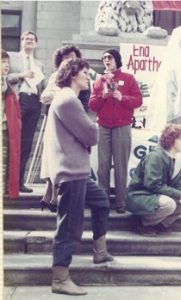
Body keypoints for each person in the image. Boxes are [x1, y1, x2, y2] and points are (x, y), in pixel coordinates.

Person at [46, 58, 113, 295]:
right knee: (70, 227)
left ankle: (100, 251)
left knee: (102, 201)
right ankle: (60, 279)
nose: (88, 76)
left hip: (78, 171)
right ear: (73, 74)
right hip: (71, 172)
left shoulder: (68, 98)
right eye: (85, 72)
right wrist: (92, 128)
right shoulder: (67, 99)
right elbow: (91, 135)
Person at [89, 48, 142, 213]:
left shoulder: (128, 78)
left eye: (109, 57)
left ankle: (121, 203)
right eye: (104, 57)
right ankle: (102, 202)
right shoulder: (99, 81)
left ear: (117, 59)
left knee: (121, 165)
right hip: (104, 126)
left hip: (122, 126)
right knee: (102, 165)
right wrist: (102, 96)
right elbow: (91, 105)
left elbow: (139, 100)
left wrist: (122, 98)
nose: (106, 60)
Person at [40, 44, 91, 212]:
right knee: (52, 154)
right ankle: (51, 196)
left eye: (74, 57)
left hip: (75, 120)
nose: (71, 60)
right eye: (67, 57)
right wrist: (61, 94)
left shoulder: (83, 78)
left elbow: (85, 99)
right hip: (56, 120)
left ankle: (53, 197)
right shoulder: (56, 77)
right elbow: (44, 96)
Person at [126, 123, 181, 236]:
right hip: (140, 195)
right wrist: (180, 195)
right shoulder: (156, 156)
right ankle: (144, 224)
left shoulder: (176, 160)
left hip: (155, 195)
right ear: (171, 140)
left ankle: (160, 225)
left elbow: (177, 183)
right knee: (169, 204)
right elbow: (153, 185)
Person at [7, 31, 44, 193]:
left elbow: (41, 85)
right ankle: (8, 182)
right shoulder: (12, 57)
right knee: (13, 140)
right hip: (18, 99)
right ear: (22, 42)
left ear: (36, 43)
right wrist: (22, 75)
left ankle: (19, 182)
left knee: (27, 143)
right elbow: (5, 77)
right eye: (26, 39)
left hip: (34, 102)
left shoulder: (39, 64)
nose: (29, 41)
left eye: (32, 39)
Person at [2, 49, 22, 199]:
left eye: (7, 62)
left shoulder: (5, 82)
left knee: (5, 160)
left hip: (5, 127)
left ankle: (3, 189)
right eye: (3, 62)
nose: (6, 65)